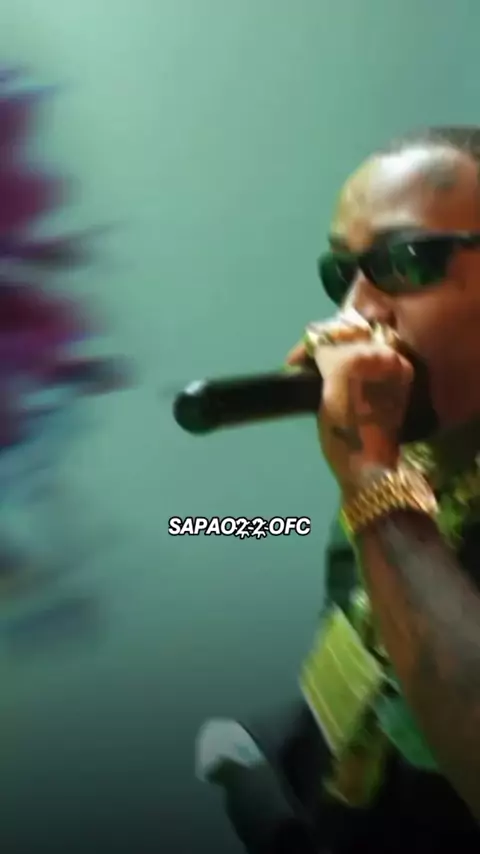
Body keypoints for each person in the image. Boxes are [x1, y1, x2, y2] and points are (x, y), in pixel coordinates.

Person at [197, 126, 480, 853]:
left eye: (406, 260)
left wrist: (370, 480)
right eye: (341, 274)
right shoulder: (414, 450)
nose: (356, 313)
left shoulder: (378, 467)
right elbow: (365, 647)